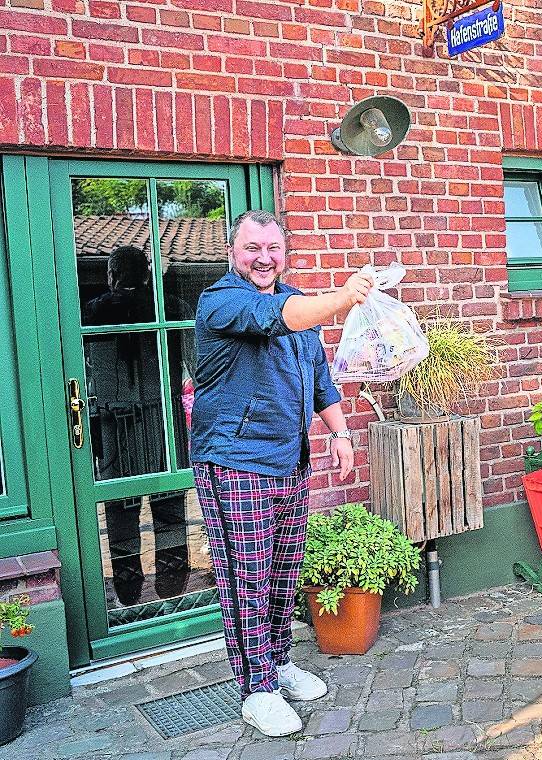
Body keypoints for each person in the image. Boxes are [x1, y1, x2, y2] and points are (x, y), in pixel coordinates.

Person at [191, 210, 374, 737]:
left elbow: (318, 374)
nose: (264, 257)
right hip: (234, 460)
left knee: (281, 572)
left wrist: (339, 433)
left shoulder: (293, 302)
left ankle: (278, 663)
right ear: (233, 251)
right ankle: (256, 689)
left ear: (284, 252)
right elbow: (281, 318)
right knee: (246, 577)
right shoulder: (221, 302)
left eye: (273, 247)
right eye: (252, 247)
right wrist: (344, 297)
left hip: (288, 461)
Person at [84, 246, 191, 608]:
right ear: (148, 275)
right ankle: (173, 589)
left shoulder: (93, 311)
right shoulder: (171, 307)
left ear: (112, 275)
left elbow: (85, 373)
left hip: (117, 421)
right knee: (170, 503)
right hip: (163, 418)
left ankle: (129, 593)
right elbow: (194, 366)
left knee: (121, 507)